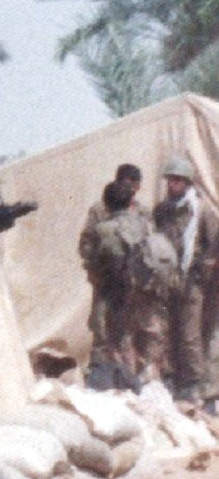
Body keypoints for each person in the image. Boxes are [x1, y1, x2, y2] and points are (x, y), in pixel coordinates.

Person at [152, 155, 219, 403]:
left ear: (188, 182)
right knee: (167, 331)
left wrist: (205, 269)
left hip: (194, 280)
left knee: (190, 334)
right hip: (167, 279)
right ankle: (172, 377)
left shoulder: (201, 211)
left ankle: (194, 382)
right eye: (170, 180)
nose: (172, 185)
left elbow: (214, 245)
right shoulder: (162, 210)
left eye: (177, 180)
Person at [78, 163, 149, 380]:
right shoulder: (99, 210)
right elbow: (86, 242)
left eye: (131, 185)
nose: (127, 189)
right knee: (101, 323)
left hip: (133, 280)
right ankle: (100, 370)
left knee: (130, 326)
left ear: (138, 187)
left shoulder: (143, 212)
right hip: (106, 278)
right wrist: (95, 265)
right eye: (123, 184)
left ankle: (128, 374)